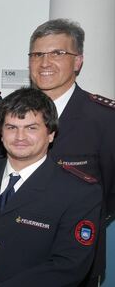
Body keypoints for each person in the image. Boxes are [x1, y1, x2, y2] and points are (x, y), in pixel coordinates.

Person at [0, 87, 101, 286]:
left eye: (31, 128)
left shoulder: (79, 192)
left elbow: (68, 264)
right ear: (1, 133)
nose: (20, 137)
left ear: (51, 133)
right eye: (11, 127)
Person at [27, 18, 115, 286]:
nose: (45, 63)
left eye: (57, 53)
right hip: (19, 256)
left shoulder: (104, 119)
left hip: (75, 258)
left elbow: (110, 195)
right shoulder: (14, 113)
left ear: (78, 61)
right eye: (38, 54)